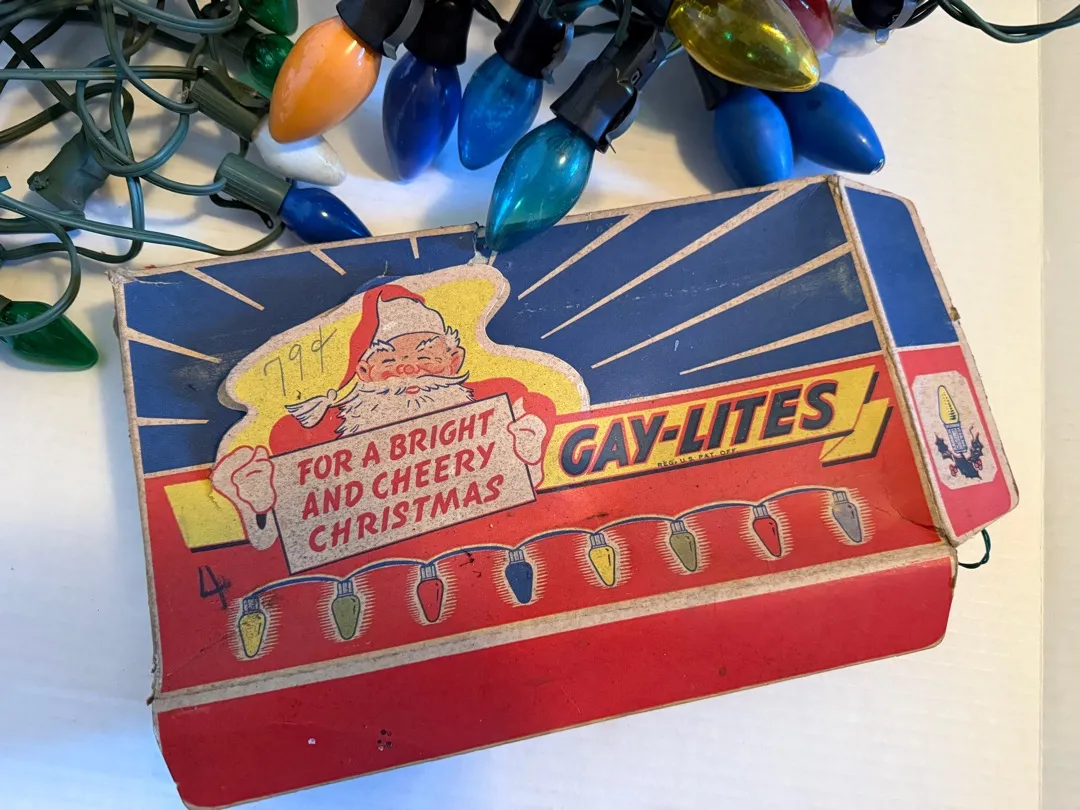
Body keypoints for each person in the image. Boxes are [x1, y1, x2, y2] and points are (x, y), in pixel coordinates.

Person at [212, 285, 553, 550]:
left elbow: (539, 409)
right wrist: (259, 507)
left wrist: (531, 454)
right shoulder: (314, 433)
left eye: (426, 357)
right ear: (364, 372)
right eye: (389, 361)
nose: (408, 371)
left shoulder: (499, 399)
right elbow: (279, 540)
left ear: (454, 361)